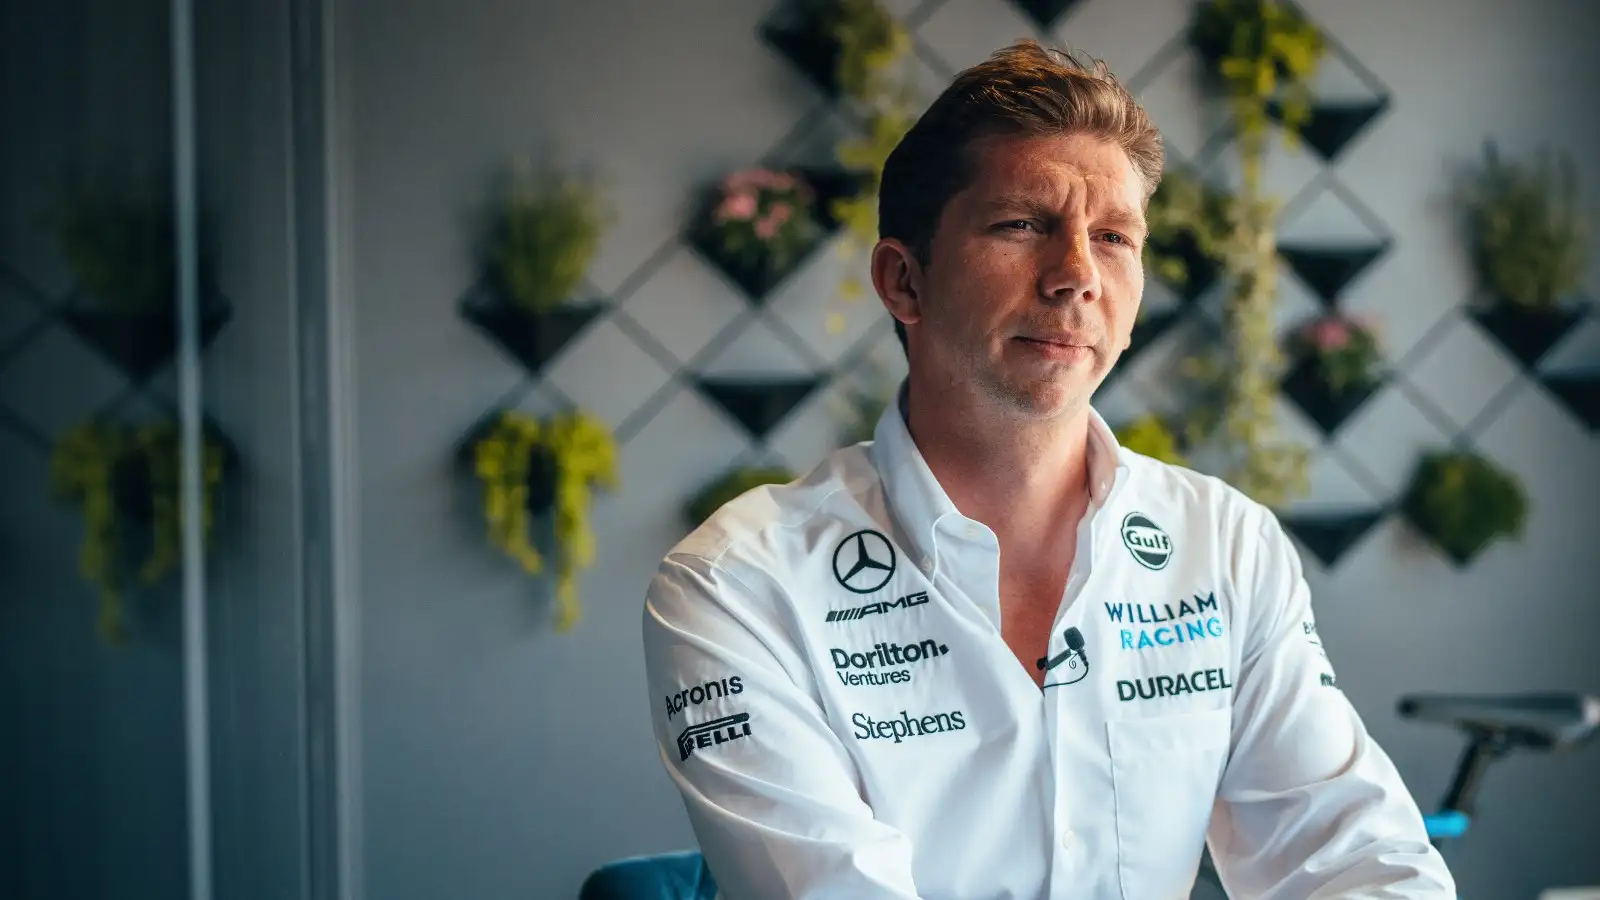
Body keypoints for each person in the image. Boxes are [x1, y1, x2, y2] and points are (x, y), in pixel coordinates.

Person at [641, 39, 1455, 900]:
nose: (1076, 276)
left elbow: (1357, 860)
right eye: (1022, 225)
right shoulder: (739, 585)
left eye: (1113, 237)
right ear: (903, 281)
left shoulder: (1224, 546)